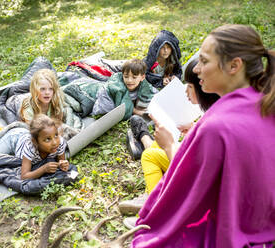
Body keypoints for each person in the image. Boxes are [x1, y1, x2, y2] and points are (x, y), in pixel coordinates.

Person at [131, 24, 275, 247]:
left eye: (205, 61)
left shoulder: (215, 126)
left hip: (234, 232)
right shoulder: (265, 101)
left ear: (234, 66)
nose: (196, 70)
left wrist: (148, 222)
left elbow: (182, 196)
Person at [120, 58, 219, 217]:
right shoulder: (217, 112)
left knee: (149, 155)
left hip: (200, 183)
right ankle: (145, 139)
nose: (185, 91)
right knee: (155, 147)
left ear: (204, 87)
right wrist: (193, 130)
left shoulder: (215, 122)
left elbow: (193, 174)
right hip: (203, 166)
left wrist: (169, 146)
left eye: (190, 86)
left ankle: (153, 202)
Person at [0, 114, 70, 180]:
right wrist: (44, 169)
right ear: (35, 141)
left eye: (56, 135)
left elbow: (61, 162)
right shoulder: (30, 146)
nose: (55, 142)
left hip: (27, 138)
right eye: (48, 139)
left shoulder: (60, 142)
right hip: (14, 138)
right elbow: (24, 176)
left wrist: (64, 165)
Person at [92, 58, 157, 120]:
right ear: (122, 75)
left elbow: (154, 93)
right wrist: (136, 111)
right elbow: (121, 108)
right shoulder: (116, 86)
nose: (129, 80)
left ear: (142, 77)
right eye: (126, 77)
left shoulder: (144, 85)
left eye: (134, 77)